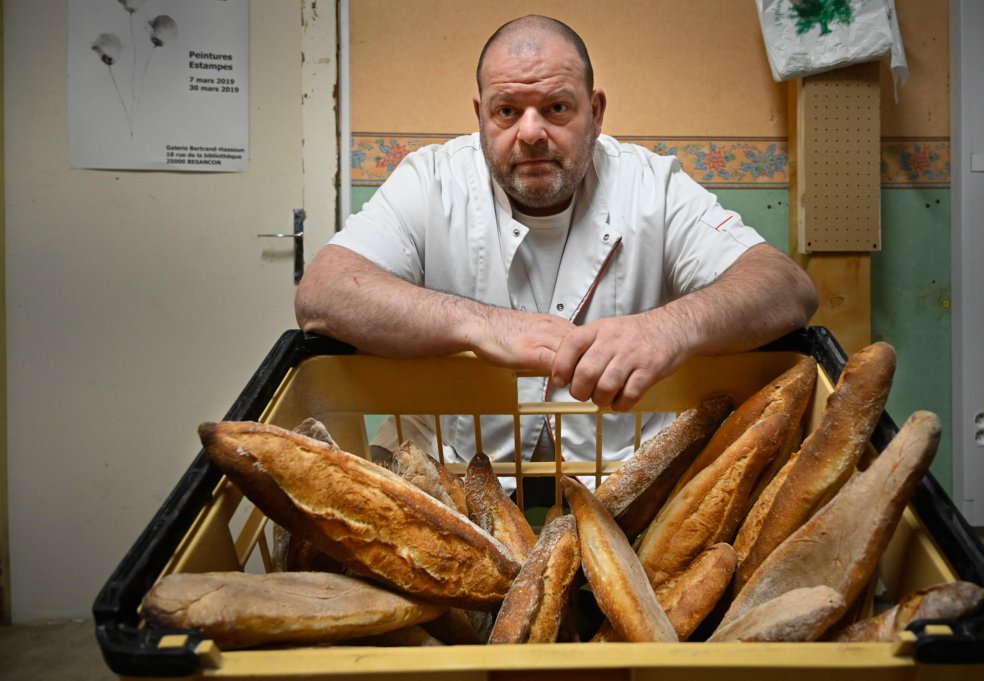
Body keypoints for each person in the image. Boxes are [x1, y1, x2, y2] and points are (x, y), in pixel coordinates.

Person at [295, 15, 818, 477]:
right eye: (506, 112)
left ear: (596, 110)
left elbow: (786, 288)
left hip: (628, 480)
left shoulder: (651, 186)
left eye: (556, 107)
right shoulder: (432, 181)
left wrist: (669, 327)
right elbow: (324, 291)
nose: (531, 133)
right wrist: (480, 324)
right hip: (451, 482)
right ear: (480, 114)